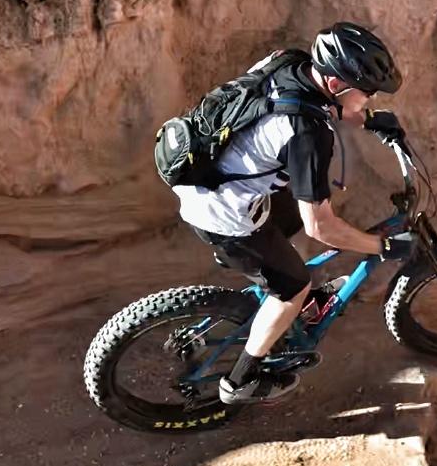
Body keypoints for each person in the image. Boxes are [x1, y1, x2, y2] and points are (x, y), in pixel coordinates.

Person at [172, 22, 412, 404]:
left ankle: (279, 293)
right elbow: (321, 227)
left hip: (210, 172)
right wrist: (378, 246)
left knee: (291, 221)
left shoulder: (290, 61)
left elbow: (306, 103)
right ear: (336, 84)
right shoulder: (307, 136)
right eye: (367, 93)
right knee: (293, 287)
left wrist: (368, 120)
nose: (370, 98)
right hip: (222, 212)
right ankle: (241, 380)